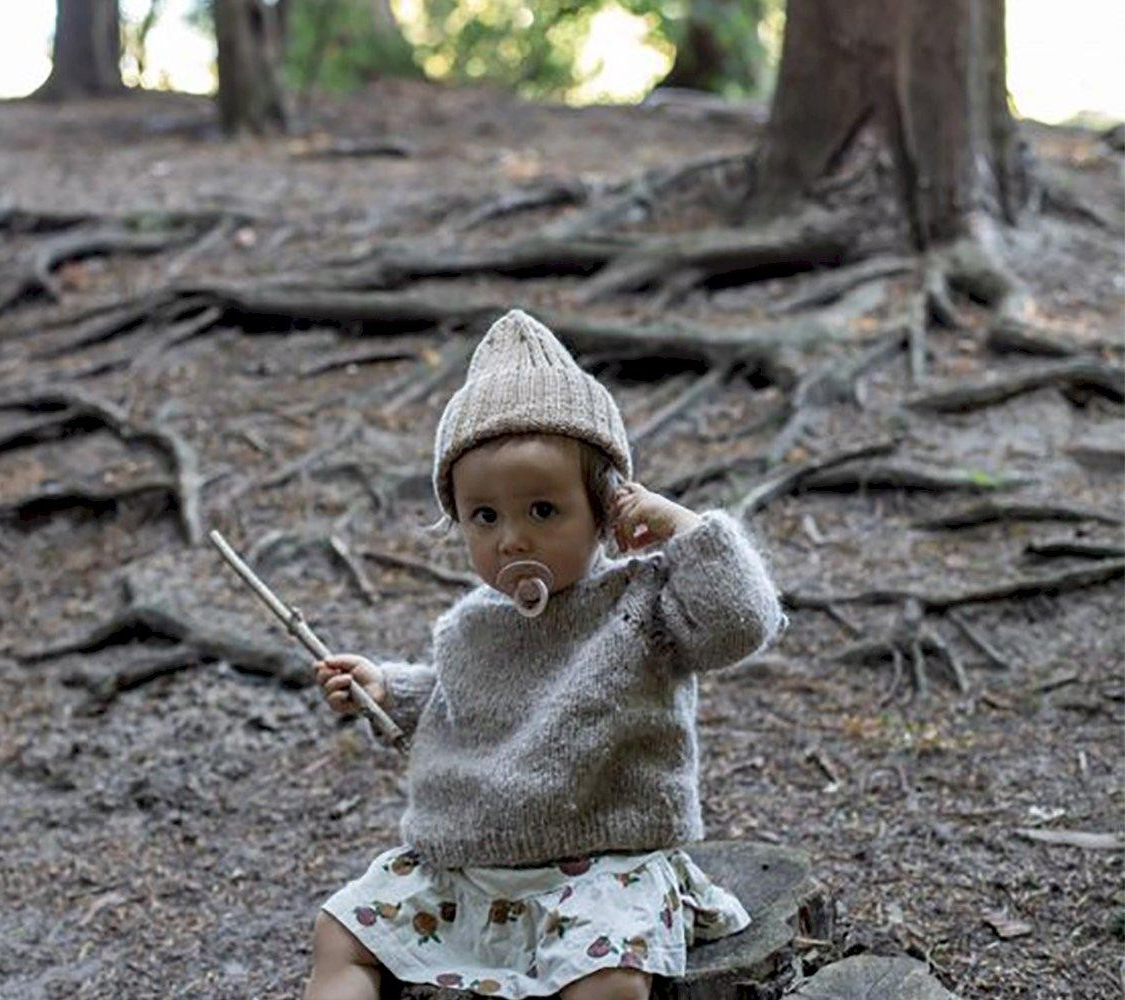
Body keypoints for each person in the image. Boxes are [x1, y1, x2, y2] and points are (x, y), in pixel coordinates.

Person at [305, 309, 786, 1000]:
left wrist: (685, 529)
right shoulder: (473, 624)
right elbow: (460, 699)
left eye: (542, 511)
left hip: (601, 866)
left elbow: (743, 624)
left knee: (612, 979)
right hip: (468, 863)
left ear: (608, 507)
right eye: (485, 517)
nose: (511, 541)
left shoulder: (641, 601)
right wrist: (386, 691)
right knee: (340, 931)